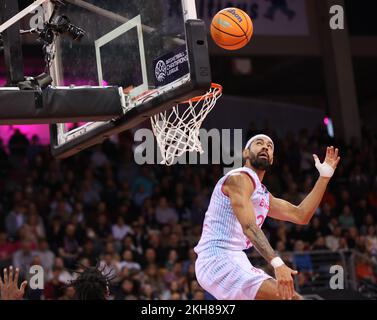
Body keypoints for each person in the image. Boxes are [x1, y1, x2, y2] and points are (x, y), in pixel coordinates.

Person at [194, 134, 340, 300]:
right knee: (291, 298)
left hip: (234, 258)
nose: (265, 147)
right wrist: (277, 263)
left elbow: (301, 215)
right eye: (259, 143)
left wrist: (324, 177)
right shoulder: (239, 178)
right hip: (217, 257)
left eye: (270, 146)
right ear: (246, 153)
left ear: (271, 159)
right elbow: (249, 227)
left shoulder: (261, 193)